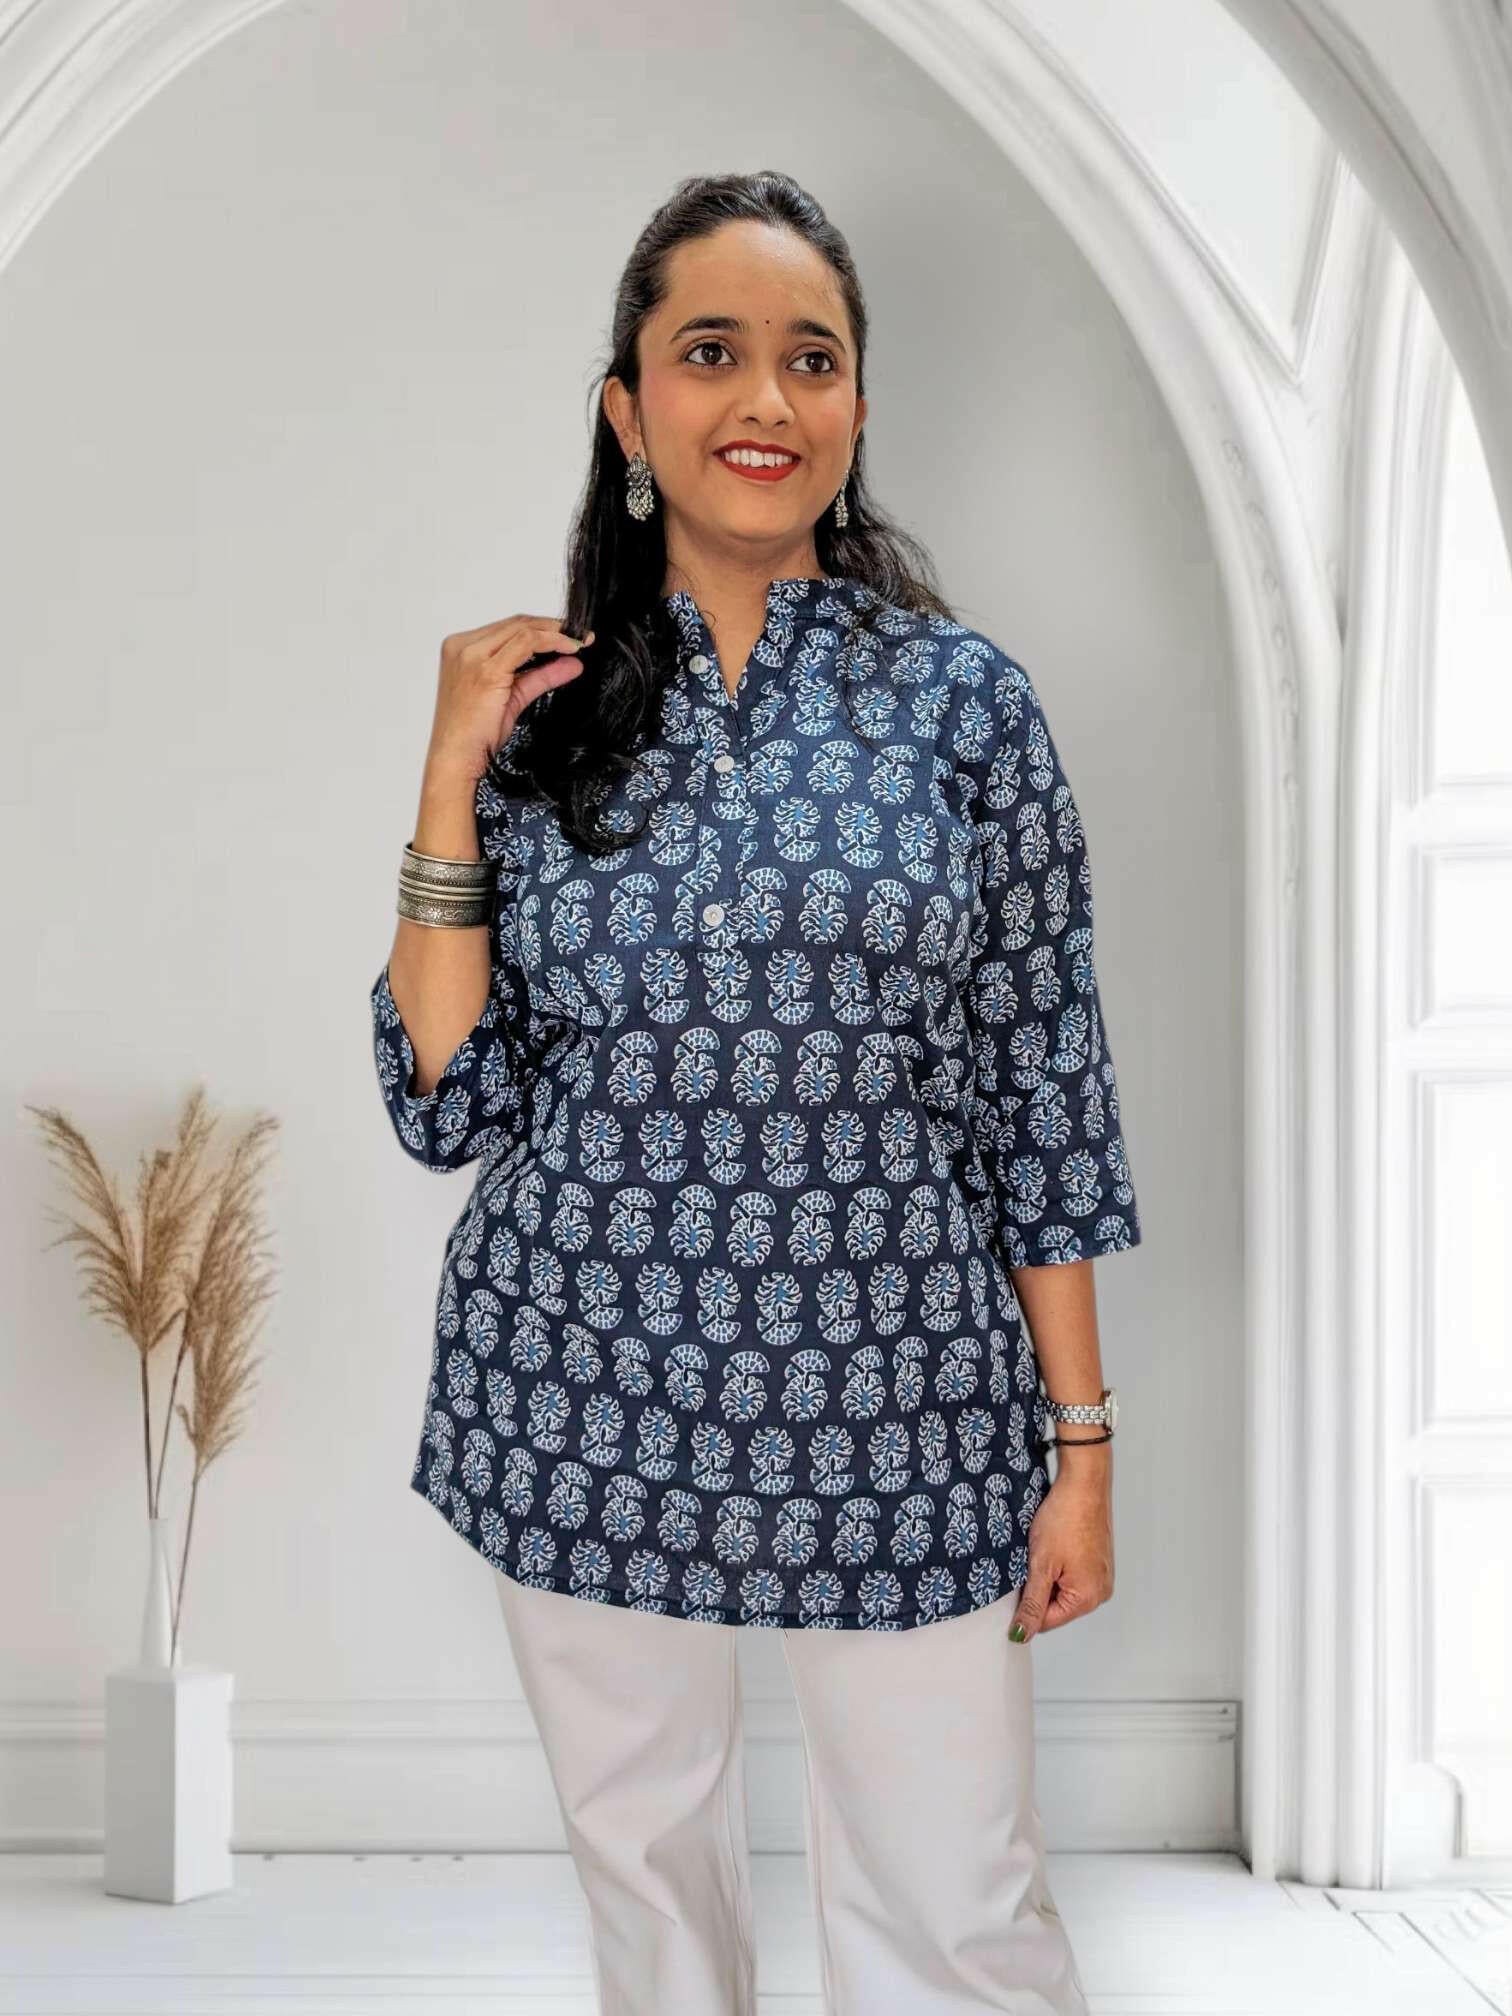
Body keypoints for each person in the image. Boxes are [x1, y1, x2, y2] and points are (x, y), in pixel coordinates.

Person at [369, 169, 1142, 2016]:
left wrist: (1084, 1448)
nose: (766, 399)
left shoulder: (965, 706)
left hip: (904, 1397)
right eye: (710, 353)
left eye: (812, 357)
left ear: (859, 405)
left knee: (957, 1917)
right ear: (629, 412)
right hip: (585, 1387)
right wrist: (448, 776)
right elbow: (447, 1100)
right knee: (653, 1903)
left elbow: (1044, 1091)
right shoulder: (543, 723)